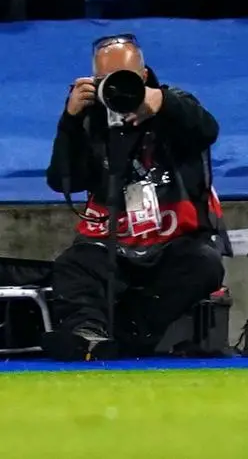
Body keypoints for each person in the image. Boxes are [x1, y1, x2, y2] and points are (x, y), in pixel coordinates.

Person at [43, 33, 225, 361]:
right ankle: (87, 333)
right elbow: (61, 180)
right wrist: (69, 122)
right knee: (73, 265)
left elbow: (208, 130)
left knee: (205, 265)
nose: (114, 89)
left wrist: (164, 103)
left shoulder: (174, 105)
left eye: (122, 79)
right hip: (111, 243)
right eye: (104, 80)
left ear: (142, 76)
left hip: (174, 243)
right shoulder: (89, 120)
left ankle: (123, 341)